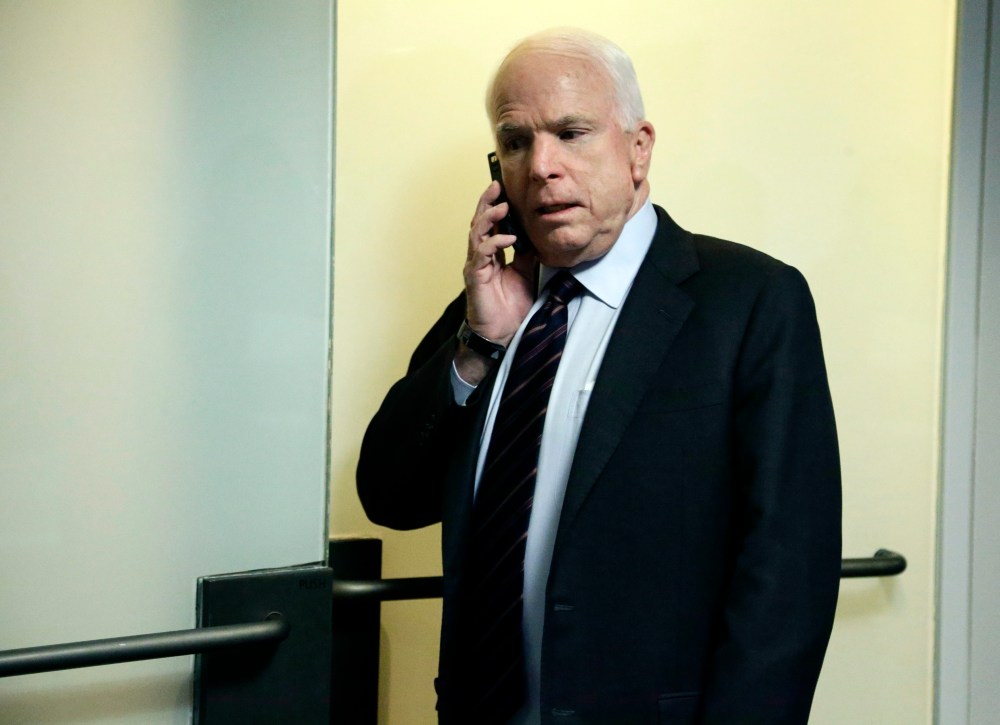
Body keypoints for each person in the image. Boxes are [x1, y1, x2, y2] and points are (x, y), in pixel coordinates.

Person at [357, 28, 841, 725]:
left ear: (638, 149)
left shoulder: (749, 302)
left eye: (572, 132)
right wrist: (477, 345)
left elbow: (787, 576)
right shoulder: (484, 310)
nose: (542, 166)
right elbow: (389, 495)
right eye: (517, 142)